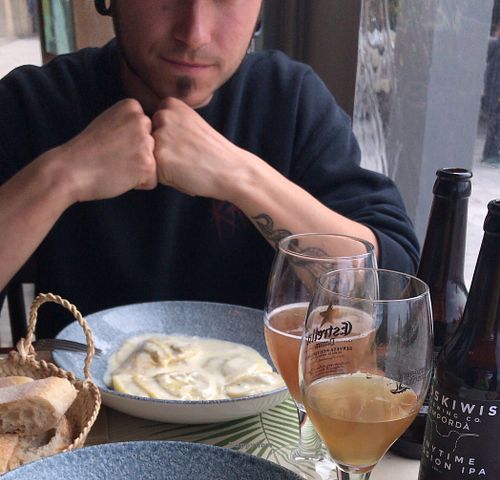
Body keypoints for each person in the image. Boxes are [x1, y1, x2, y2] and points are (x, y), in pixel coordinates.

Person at [0, 0, 419, 338]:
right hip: (77, 414)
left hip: (262, 418)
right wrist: (59, 178)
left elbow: (393, 292)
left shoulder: (288, 100)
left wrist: (240, 177)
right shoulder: (34, 103)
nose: (194, 33)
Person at [482, 20, 500, 164]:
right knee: (495, 121)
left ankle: (492, 153)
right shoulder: (495, 45)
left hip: (494, 91)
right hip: (495, 92)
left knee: (496, 122)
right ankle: (490, 154)